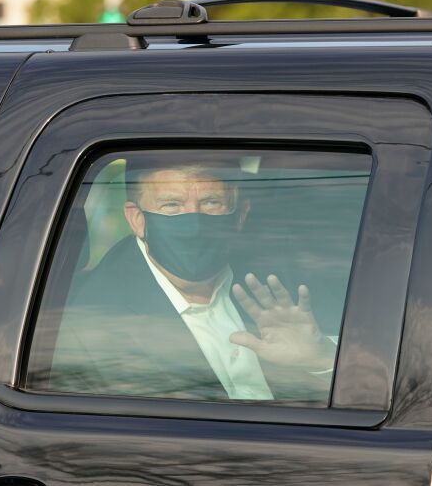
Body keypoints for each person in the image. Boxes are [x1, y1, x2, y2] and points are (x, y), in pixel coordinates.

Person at [46, 157, 336, 402]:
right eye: (171, 205)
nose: (194, 222)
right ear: (136, 219)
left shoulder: (293, 277)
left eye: (211, 203)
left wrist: (320, 360)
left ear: (239, 214)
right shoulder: (88, 322)